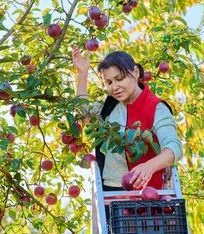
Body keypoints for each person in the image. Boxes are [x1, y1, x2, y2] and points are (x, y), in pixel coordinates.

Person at [72, 44, 183, 192]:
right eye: (109, 83)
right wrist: (82, 73)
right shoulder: (108, 104)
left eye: (120, 78)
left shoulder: (155, 107)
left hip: (145, 192)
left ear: (135, 72)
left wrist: (149, 166)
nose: (115, 87)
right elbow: (82, 115)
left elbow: (174, 148)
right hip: (108, 192)